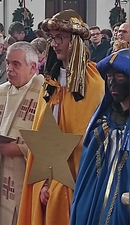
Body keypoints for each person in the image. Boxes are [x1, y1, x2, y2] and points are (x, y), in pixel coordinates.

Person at [17, 9, 105, 225]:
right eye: (52, 38)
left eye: (60, 38)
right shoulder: (49, 83)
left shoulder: (93, 82)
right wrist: (46, 180)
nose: (54, 43)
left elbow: (88, 137)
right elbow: (42, 131)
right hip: (49, 169)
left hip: (77, 174)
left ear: (75, 41)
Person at [0, 42, 44, 225]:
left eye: (16, 64)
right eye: (7, 63)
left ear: (33, 67)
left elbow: (51, 144)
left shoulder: (45, 94)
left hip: (24, 175)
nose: (9, 69)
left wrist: (20, 149)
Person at [70, 49, 129, 225]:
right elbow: (88, 174)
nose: (112, 83)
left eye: (119, 77)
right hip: (97, 201)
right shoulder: (101, 123)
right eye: (109, 77)